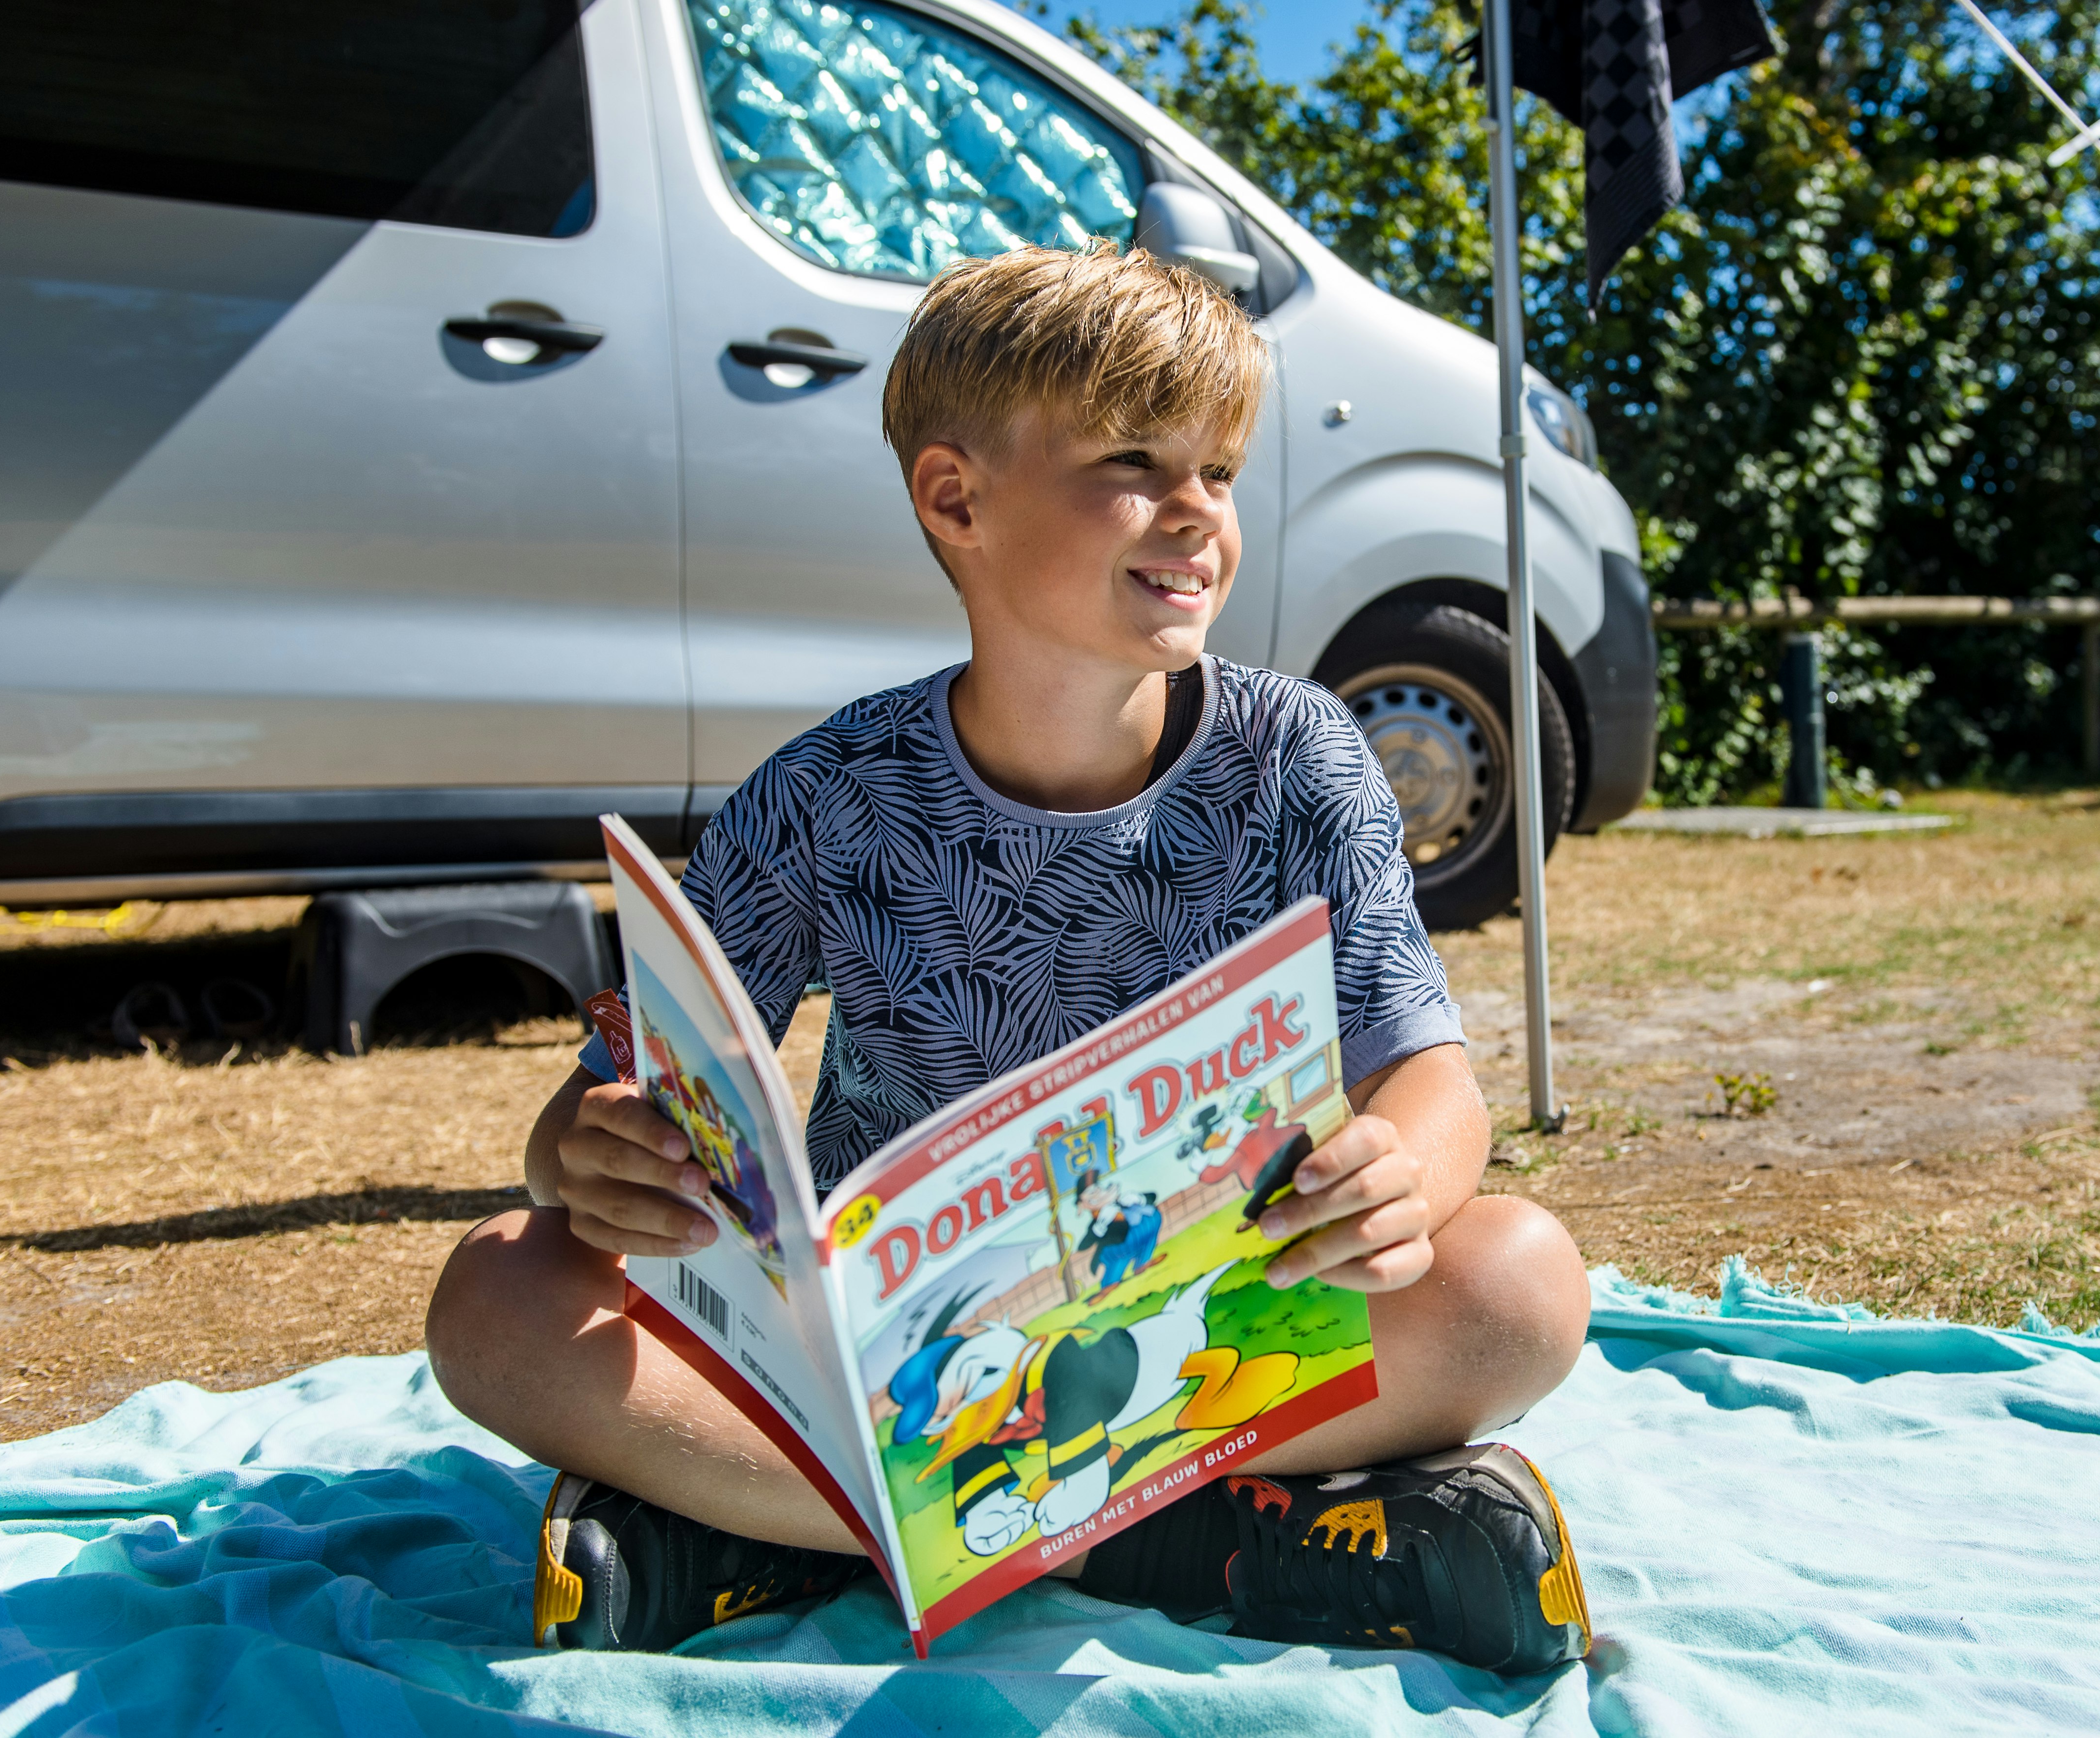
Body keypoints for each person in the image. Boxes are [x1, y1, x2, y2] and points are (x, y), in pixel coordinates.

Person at [424, 243, 1595, 1675]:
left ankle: (762, 1531)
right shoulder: (822, 791)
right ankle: (1194, 1535)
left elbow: (1424, 1069)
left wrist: (1402, 1176)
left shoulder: (1302, 756)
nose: (1196, 514)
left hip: (1206, 1332)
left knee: (1519, 1279)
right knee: (496, 1295)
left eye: (1218, 470)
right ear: (954, 497)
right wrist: (587, 1155)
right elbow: (597, 1108)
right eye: (1134, 461)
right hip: (888, 1372)